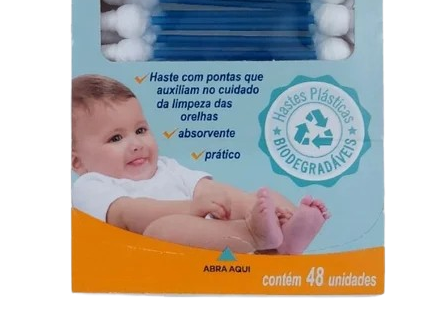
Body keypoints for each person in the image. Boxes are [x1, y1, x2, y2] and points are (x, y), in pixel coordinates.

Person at [71, 74, 330, 254]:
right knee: (162, 230)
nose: (136, 144)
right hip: (159, 257)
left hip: (220, 246)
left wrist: (243, 204)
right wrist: (192, 208)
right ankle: (253, 235)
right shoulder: (91, 185)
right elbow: (128, 215)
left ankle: (287, 233)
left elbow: (209, 191)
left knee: (260, 196)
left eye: (140, 130)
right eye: (116, 138)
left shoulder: (167, 167)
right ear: (77, 161)